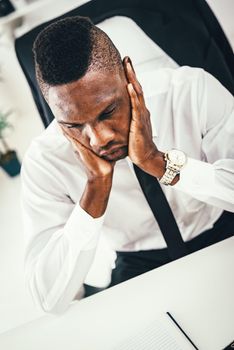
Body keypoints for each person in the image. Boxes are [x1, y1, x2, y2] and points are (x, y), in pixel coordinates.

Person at [21, 16, 234, 314]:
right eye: (73, 125)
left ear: (128, 75)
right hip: (139, 265)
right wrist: (94, 191)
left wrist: (158, 163)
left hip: (224, 230)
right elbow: (49, 300)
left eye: (108, 111)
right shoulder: (45, 158)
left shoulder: (190, 91)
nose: (99, 139)